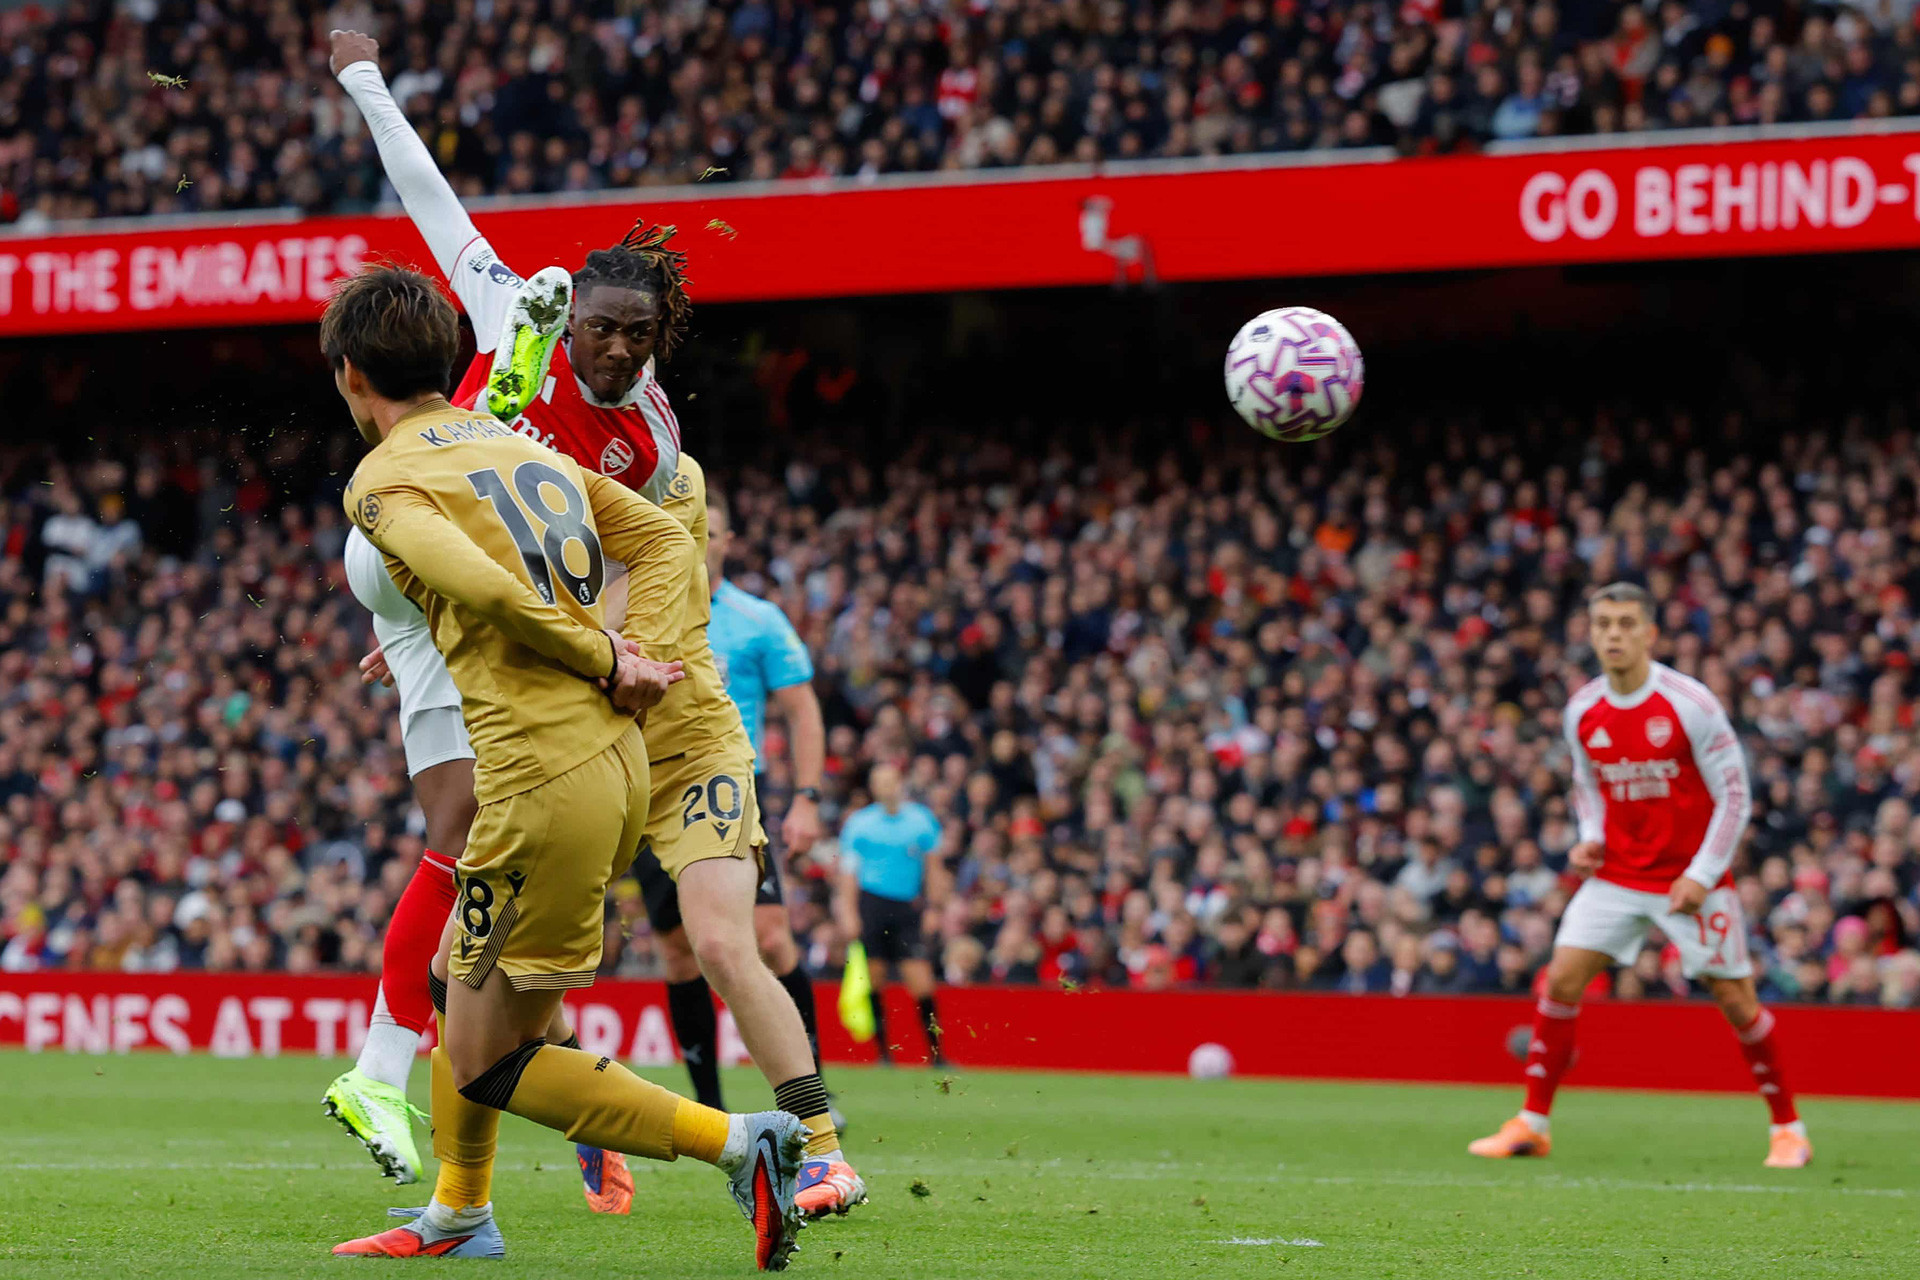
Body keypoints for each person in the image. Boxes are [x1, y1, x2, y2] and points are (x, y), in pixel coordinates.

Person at [319, 265, 807, 1270]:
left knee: (486, 1056)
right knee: (462, 985)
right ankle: (460, 1211)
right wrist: (639, 657)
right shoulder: (515, 443)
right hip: (609, 762)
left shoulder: (382, 480)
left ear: (350, 375)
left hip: (538, 780)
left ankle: (741, 1142)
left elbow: (486, 590)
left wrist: (609, 657)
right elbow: (662, 540)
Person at [320, 25, 678, 1209]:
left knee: (500, 859)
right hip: (420, 527)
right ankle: (387, 1071)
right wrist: (366, 79)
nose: (614, 350)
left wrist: (606, 645)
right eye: (596, 331)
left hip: (462, 583)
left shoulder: (653, 442)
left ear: (659, 340)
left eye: (634, 337)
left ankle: (480, 1099)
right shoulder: (504, 295)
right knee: (474, 832)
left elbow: (620, 556)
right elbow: (425, 192)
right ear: (574, 323)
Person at [1468, 582, 1811, 1169]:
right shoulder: (1583, 710)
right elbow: (1587, 785)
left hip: (1689, 878)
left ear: (1649, 633)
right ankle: (1532, 1124)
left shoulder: (1690, 704)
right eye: (1603, 624)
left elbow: (1735, 796)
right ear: (1591, 633)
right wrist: (1591, 837)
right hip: (1619, 874)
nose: (1614, 635)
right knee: (1561, 980)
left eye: (1626, 624)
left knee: (1736, 1001)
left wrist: (1702, 874)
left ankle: (1788, 1129)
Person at [626, 451, 862, 1218]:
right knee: (673, 954)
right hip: (619, 775)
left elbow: (802, 710)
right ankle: (715, 1112)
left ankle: (812, 1109)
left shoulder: (757, 619)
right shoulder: (609, 576)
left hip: (719, 776)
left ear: (721, 537)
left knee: (755, 941)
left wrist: (807, 797)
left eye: (710, 529)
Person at [834, 763, 948, 1068]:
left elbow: (934, 868)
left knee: (921, 980)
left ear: (900, 783)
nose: (885, 787)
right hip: (871, 905)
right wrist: (848, 912)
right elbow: (848, 873)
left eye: (890, 781)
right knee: (874, 979)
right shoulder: (859, 823)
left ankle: (937, 1055)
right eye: (879, 782)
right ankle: (884, 1055)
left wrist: (935, 907)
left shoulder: (921, 820)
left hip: (907, 907)